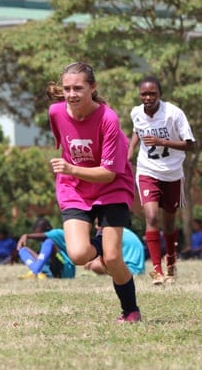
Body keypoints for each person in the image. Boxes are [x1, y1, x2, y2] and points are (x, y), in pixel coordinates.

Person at [47, 61, 140, 323]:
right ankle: (102, 241)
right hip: (75, 190)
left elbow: (108, 174)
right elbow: (62, 142)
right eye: (66, 88)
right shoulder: (55, 113)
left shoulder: (108, 118)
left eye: (78, 88)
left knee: (112, 258)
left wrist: (71, 168)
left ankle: (130, 310)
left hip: (112, 187)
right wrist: (71, 171)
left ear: (93, 87)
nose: (71, 94)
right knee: (77, 255)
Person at [128, 76, 196, 285]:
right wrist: (130, 151)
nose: (148, 97)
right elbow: (136, 131)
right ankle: (156, 270)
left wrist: (162, 141)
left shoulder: (174, 114)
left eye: (152, 93)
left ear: (160, 94)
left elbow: (190, 145)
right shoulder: (136, 112)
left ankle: (171, 262)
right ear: (140, 95)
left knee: (168, 222)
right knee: (151, 217)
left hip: (172, 173)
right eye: (144, 94)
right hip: (148, 170)